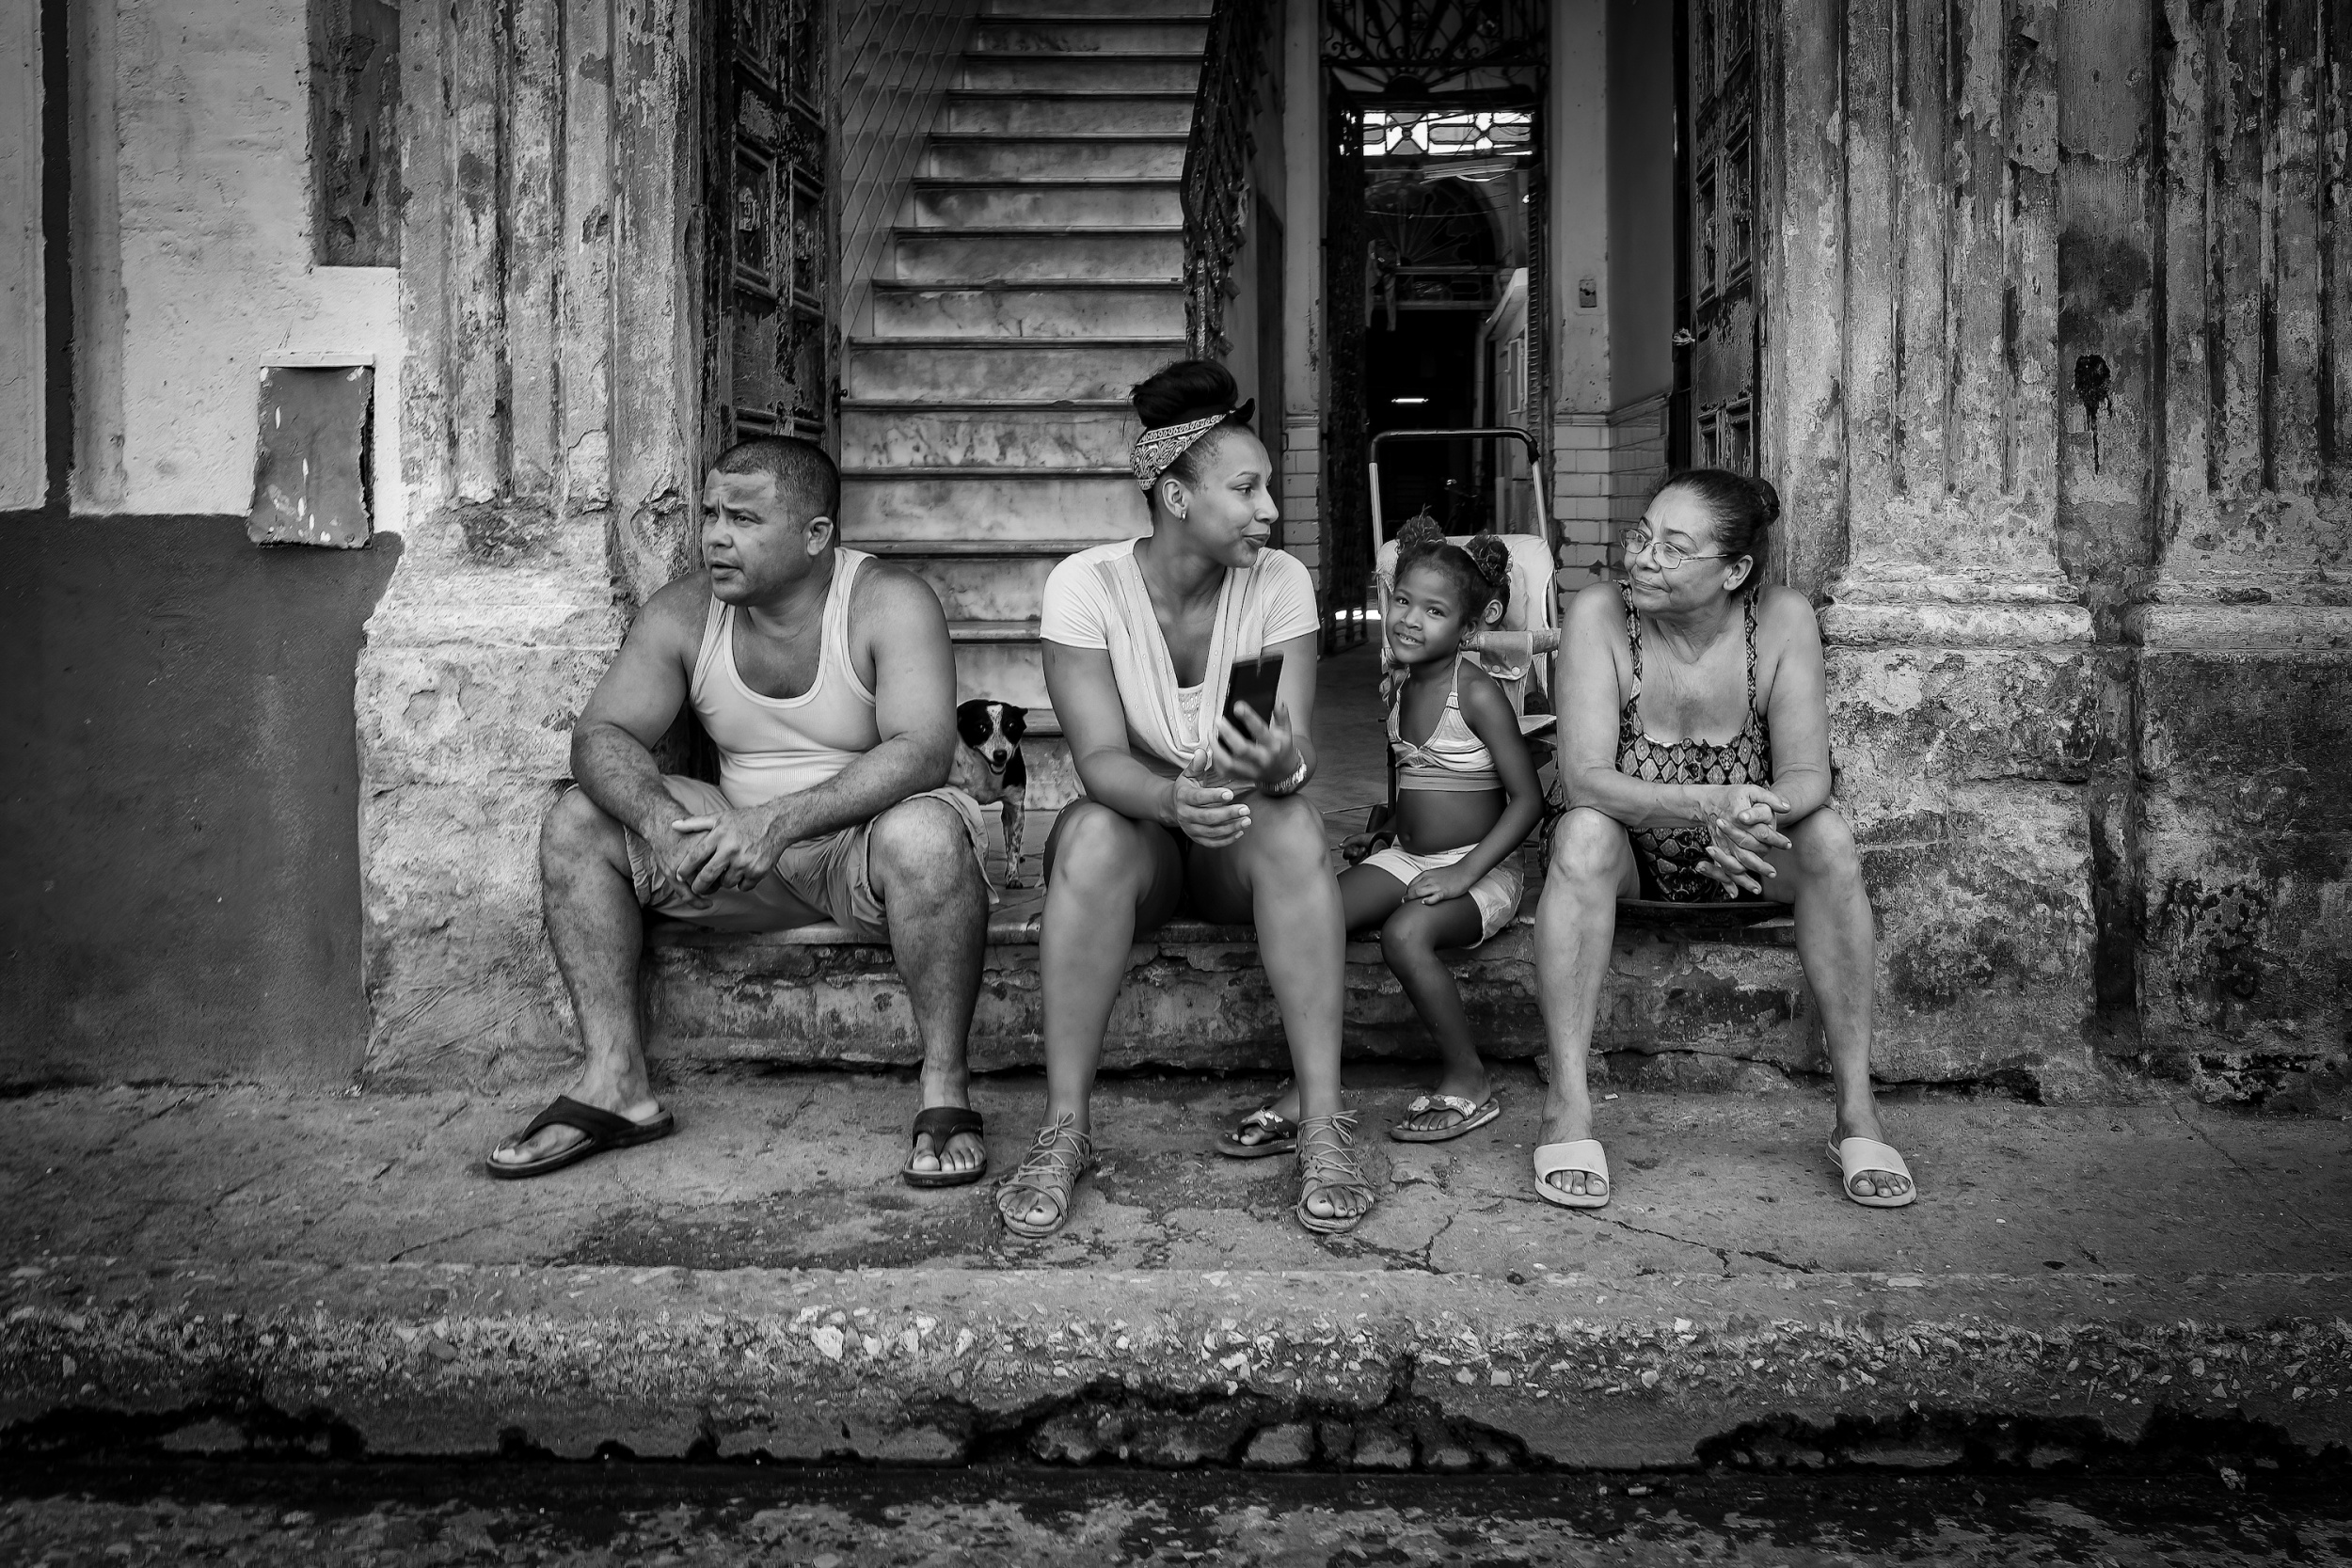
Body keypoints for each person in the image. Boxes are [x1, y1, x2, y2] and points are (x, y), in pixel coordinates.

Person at [486, 436, 993, 1188]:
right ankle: (615, 1081)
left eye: (745, 519)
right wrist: (658, 820)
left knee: (928, 832)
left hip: (857, 853)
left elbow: (922, 749)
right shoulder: (686, 612)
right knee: (577, 820)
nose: (716, 536)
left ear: (816, 535)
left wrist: (779, 822)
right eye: (710, 514)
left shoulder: (888, 601)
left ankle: (944, 1084)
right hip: (732, 852)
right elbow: (601, 734)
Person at [994, 360, 1375, 1240]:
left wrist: (1283, 762)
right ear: (1175, 497)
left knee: (1294, 825)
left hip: (1234, 836)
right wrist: (1172, 799)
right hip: (1142, 836)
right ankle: (1064, 1128)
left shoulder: (1277, 582)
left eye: (1267, 487)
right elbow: (1098, 759)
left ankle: (1323, 1123)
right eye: (1245, 489)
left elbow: (1282, 753)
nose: (1268, 509)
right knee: (1091, 836)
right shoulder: (1086, 586)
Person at [1533, 469, 1916, 1211]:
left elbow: (1807, 774)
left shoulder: (1783, 619)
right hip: (1633, 856)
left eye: (1673, 549)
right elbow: (1585, 779)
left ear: (1735, 571)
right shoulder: (1600, 615)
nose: (1643, 558)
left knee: (1829, 839)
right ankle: (1567, 1106)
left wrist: (1747, 820)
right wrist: (1707, 805)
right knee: (1580, 836)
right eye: (1642, 535)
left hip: (1743, 855)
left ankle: (1857, 1110)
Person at [1336, 518, 1544, 1142]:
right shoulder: (1400, 686)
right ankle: (1314, 1082)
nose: (1409, 619)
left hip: (1482, 866)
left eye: (1434, 610)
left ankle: (1468, 1078)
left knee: (1405, 933)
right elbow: (1419, 781)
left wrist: (1461, 874)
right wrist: (1387, 829)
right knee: (1314, 912)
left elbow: (1527, 801)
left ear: (1468, 629)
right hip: (1409, 853)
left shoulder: (1475, 694)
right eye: (1402, 601)